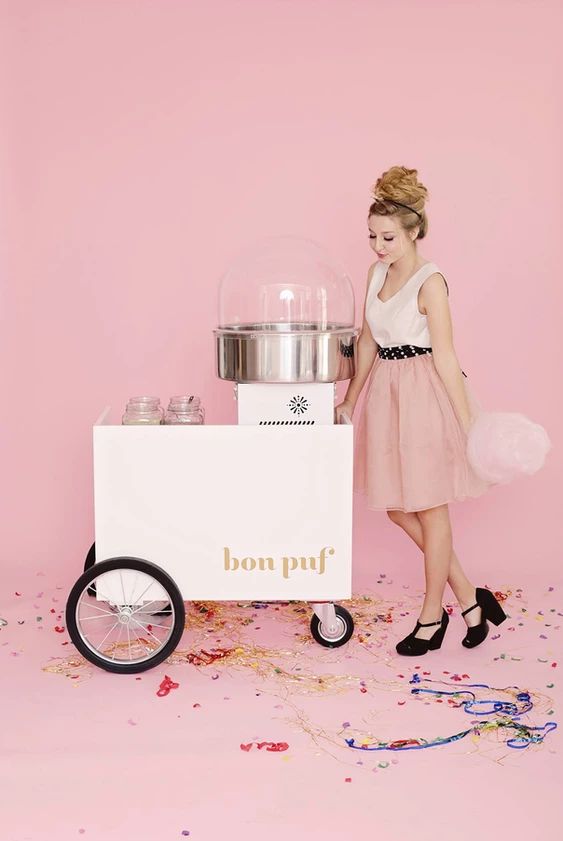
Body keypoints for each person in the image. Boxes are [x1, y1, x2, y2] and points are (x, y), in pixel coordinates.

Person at [335, 165, 507, 656]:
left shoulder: (432, 282)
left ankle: (433, 617)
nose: (377, 246)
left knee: (431, 507)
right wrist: (351, 398)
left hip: (425, 392)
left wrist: (469, 423)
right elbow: (368, 341)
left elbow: (447, 355)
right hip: (388, 392)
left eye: (387, 236)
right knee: (396, 505)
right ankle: (473, 598)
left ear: (414, 231)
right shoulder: (374, 275)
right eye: (372, 236)